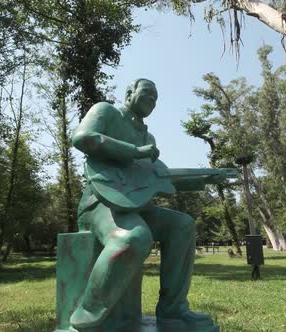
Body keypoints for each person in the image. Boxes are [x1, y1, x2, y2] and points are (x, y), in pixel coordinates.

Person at [70, 79, 221, 331]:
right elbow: (83, 138)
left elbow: (151, 180)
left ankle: (173, 311)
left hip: (134, 206)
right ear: (129, 92)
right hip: (100, 204)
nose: (153, 101)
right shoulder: (105, 111)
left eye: (156, 98)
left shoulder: (146, 135)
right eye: (148, 94)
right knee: (134, 237)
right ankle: (88, 309)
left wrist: (203, 179)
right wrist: (135, 151)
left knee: (182, 225)